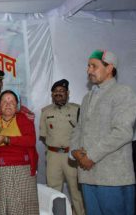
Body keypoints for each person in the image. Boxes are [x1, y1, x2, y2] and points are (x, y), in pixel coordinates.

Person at [70, 50, 136, 215]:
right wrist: (75, 151)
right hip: (87, 176)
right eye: (88, 66)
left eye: (94, 66)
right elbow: (79, 128)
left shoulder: (123, 92)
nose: (88, 70)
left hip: (113, 178)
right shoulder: (87, 97)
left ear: (110, 68)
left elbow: (122, 132)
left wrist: (91, 156)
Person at [0, 90, 39, 215]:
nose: (8, 104)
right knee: (5, 206)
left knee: (24, 206)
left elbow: (31, 140)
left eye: (12, 101)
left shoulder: (23, 118)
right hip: (0, 170)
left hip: (22, 169)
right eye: (4, 101)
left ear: (17, 105)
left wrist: (7, 139)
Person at [39, 79, 85, 215]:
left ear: (68, 93)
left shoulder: (77, 109)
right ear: (52, 94)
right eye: (56, 91)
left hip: (72, 156)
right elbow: (44, 135)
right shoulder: (46, 112)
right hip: (53, 156)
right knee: (53, 190)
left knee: (76, 191)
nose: (59, 94)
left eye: (62, 91)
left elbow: (83, 132)